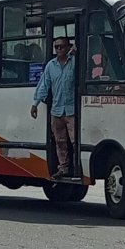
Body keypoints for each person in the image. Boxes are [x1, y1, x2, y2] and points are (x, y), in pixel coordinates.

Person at [30, 37, 76, 178]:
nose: (59, 49)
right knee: (60, 142)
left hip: (72, 110)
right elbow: (44, 85)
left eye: (62, 46)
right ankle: (63, 167)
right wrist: (35, 104)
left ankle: (78, 166)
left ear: (68, 47)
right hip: (56, 110)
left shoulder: (74, 63)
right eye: (56, 47)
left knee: (75, 141)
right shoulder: (51, 65)